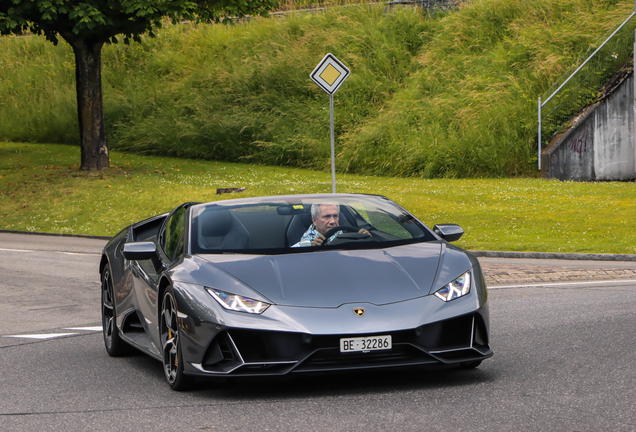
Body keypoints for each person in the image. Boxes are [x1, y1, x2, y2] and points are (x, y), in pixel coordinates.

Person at [292, 203, 370, 247]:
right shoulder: (298, 249)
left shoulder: (351, 238)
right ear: (314, 220)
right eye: (327, 216)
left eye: (335, 216)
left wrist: (368, 241)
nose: (332, 221)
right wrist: (312, 251)